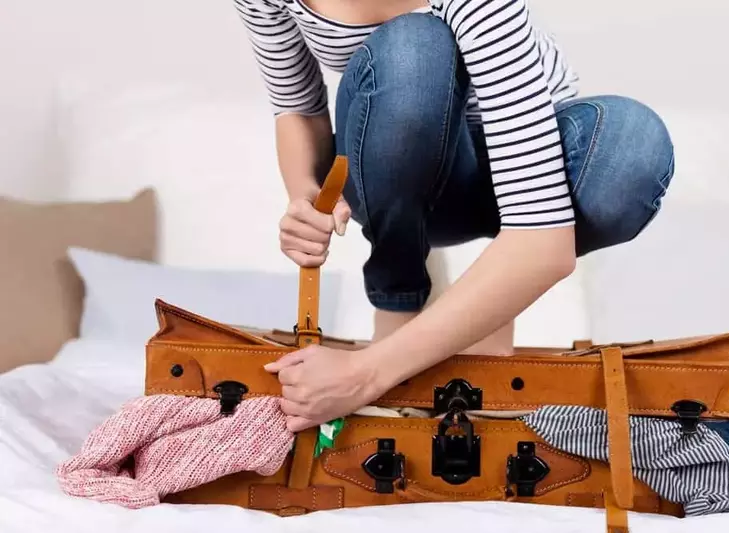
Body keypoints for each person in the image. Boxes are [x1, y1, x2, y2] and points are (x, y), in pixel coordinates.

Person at [233, 0, 675, 432]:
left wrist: (364, 373)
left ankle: (485, 311)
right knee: (414, 48)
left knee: (632, 149)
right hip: (394, 169)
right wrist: (304, 197)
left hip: (529, 184)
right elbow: (296, 105)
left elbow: (544, 239)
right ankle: (400, 300)